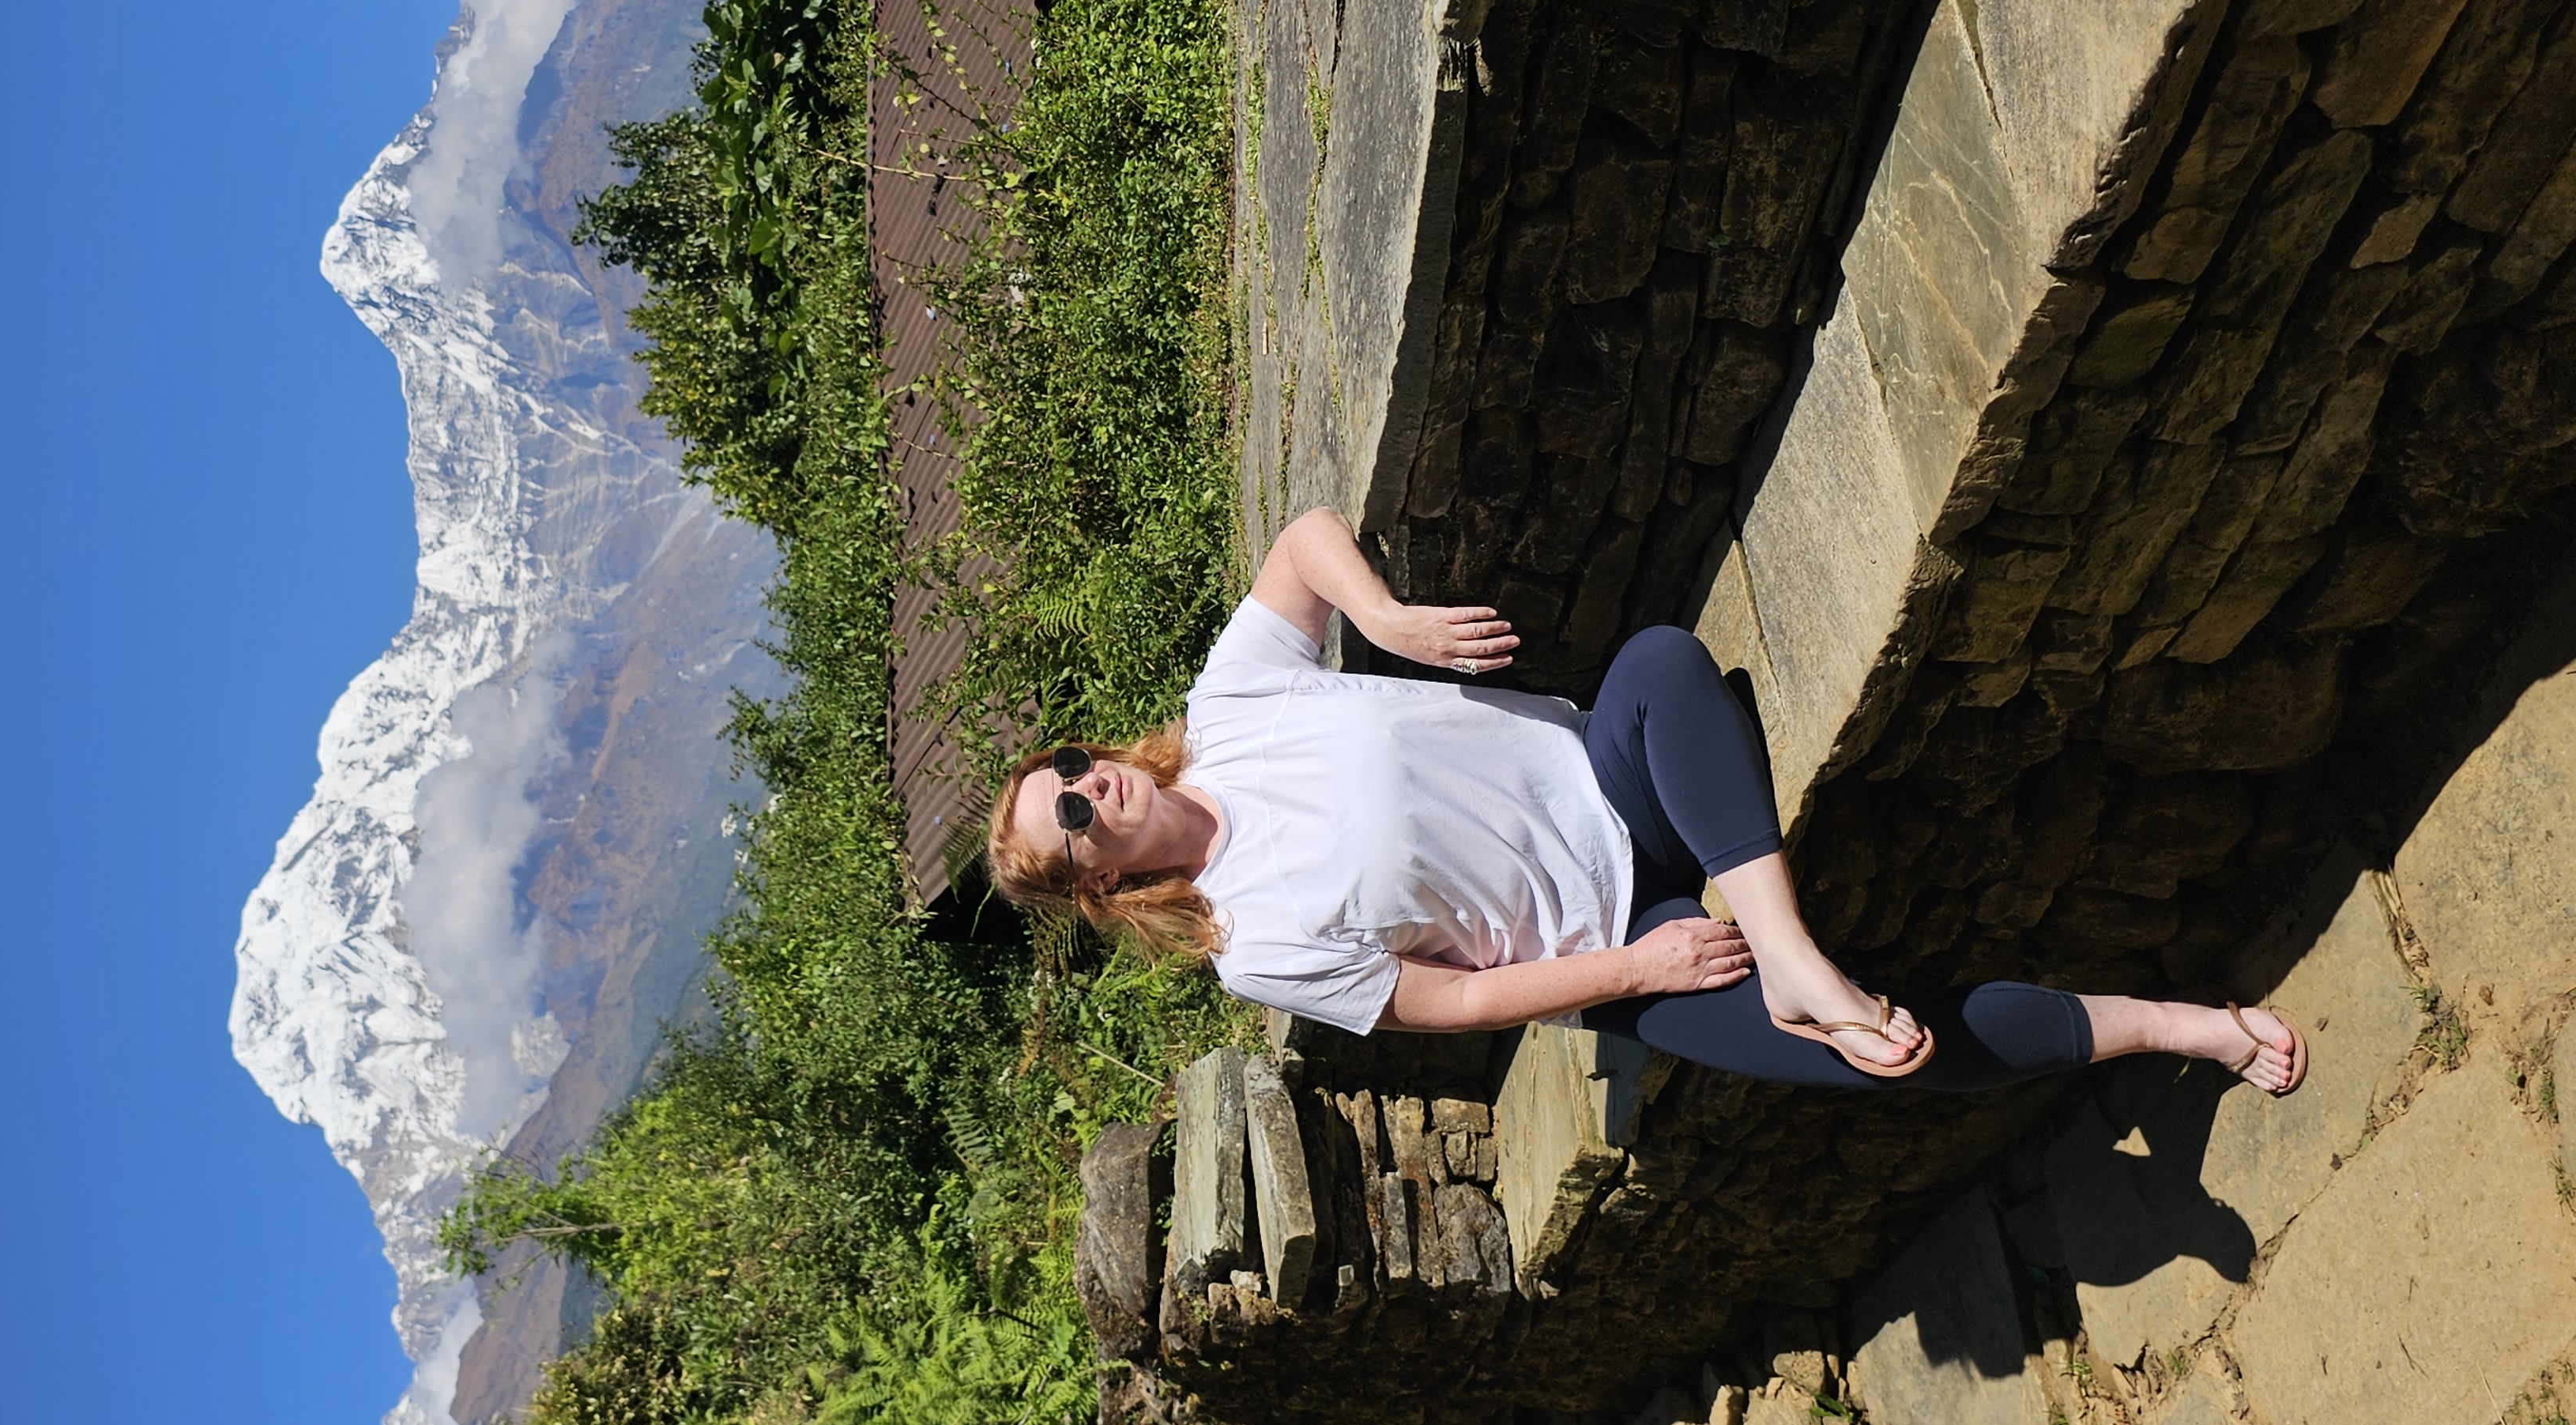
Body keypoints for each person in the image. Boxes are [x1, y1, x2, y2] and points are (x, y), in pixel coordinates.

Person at [985, 507, 2307, 1094]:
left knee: (1662, 663)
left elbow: (1302, 542)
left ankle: (1791, 956)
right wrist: (1641, 968)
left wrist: (1383, 618)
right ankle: (2179, 1029)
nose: (1090, 788)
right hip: (1617, 943)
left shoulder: (1226, 712)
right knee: (1880, 1057)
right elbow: (1452, 1006)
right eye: (1074, 820)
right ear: (1101, 884)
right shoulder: (1251, 944)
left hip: (1612, 776)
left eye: (1068, 769)